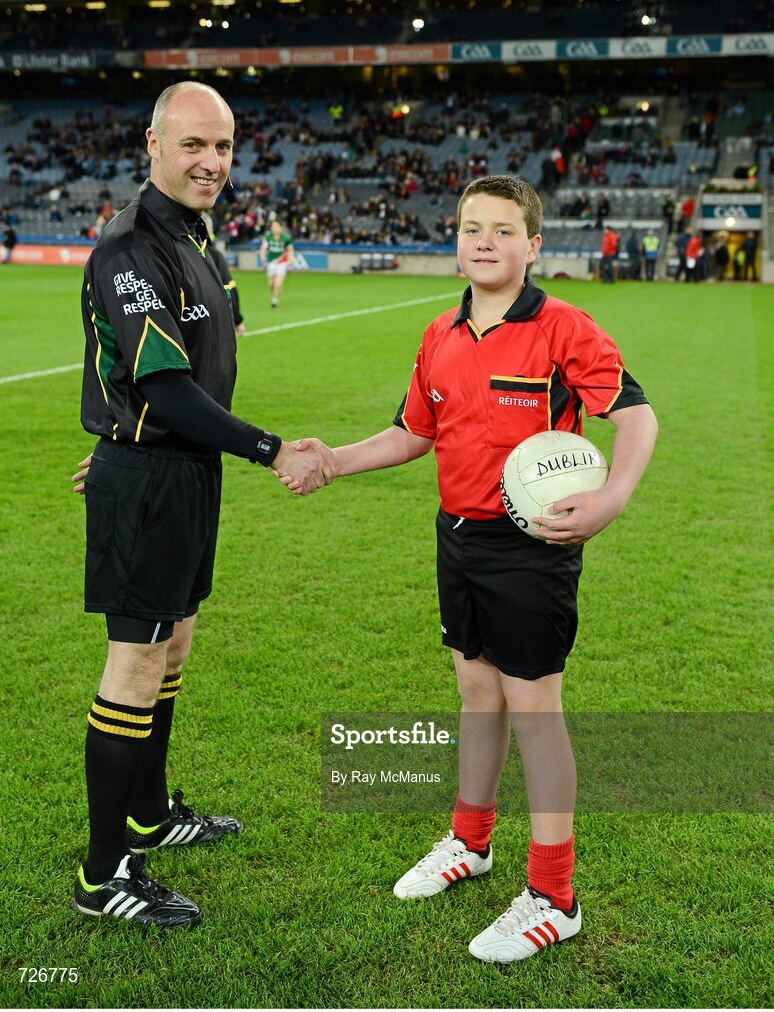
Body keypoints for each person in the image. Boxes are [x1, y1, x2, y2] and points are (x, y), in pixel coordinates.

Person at [281, 175, 658, 963]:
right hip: (456, 537)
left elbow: (634, 414)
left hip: (533, 548)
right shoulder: (439, 334)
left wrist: (613, 497)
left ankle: (556, 894)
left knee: (534, 711)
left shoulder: (564, 329)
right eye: (470, 227)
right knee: (476, 693)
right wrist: (334, 461)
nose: (483, 241)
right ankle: (470, 841)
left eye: (502, 230)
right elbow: (412, 434)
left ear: (533, 245)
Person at [71, 82, 334, 930]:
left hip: (175, 474)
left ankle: (150, 814)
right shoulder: (130, 246)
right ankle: (103, 873)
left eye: (222, 147)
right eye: (192, 145)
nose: (212, 162)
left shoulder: (195, 235)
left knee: (174, 640)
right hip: (154, 477)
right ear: (152, 144)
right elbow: (164, 387)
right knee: (137, 662)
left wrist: (123, 441)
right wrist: (268, 449)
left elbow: (151, 391)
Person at [259, 219, 294, 308]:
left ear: (280, 228)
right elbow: (263, 250)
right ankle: (276, 294)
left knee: (277, 284)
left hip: (282, 264)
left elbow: (290, 251)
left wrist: (290, 263)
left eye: (276, 226)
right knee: (271, 285)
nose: (274, 228)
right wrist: (263, 261)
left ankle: (274, 301)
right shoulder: (268, 238)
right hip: (271, 264)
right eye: (272, 227)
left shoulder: (286, 238)